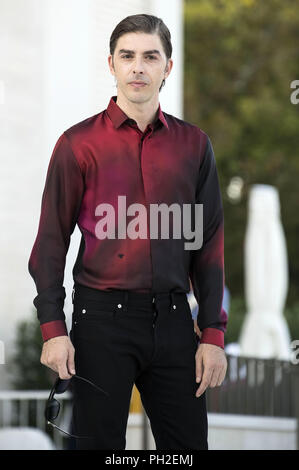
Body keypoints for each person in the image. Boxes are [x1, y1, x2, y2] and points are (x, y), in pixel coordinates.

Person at [28, 13, 228, 450]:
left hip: (177, 323)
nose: (138, 67)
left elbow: (208, 244)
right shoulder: (77, 144)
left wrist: (213, 333)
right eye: (128, 56)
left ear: (167, 67)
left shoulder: (194, 146)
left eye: (150, 56)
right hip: (101, 322)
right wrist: (53, 328)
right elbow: (49, 243)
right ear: (112, 64)